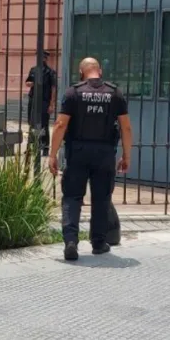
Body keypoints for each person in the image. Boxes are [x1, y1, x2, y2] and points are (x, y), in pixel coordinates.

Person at [48, 57, 133, 261]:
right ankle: (98, 243)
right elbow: (126, 127)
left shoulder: (73, 93)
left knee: (72, 197)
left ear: (81, 72)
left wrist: (52, 154)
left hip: (77, 151)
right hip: (104, 153)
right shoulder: (115, 93)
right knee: (101, 198)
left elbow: (60, 125)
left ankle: (70, 241)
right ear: (99, 71)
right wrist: (127, 155)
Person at [25, 51, 57, 156]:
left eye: (43, 57)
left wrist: (52, 104)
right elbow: (27, 82)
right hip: (33, 99)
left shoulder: (50, 72)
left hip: (44, 101)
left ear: (45, 59)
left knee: (44, 124)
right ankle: (32, 145)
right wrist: (30, 83)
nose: (41, 59)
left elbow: (53, 88)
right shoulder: (33, 70)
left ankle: (44, 146)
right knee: (32, 123)